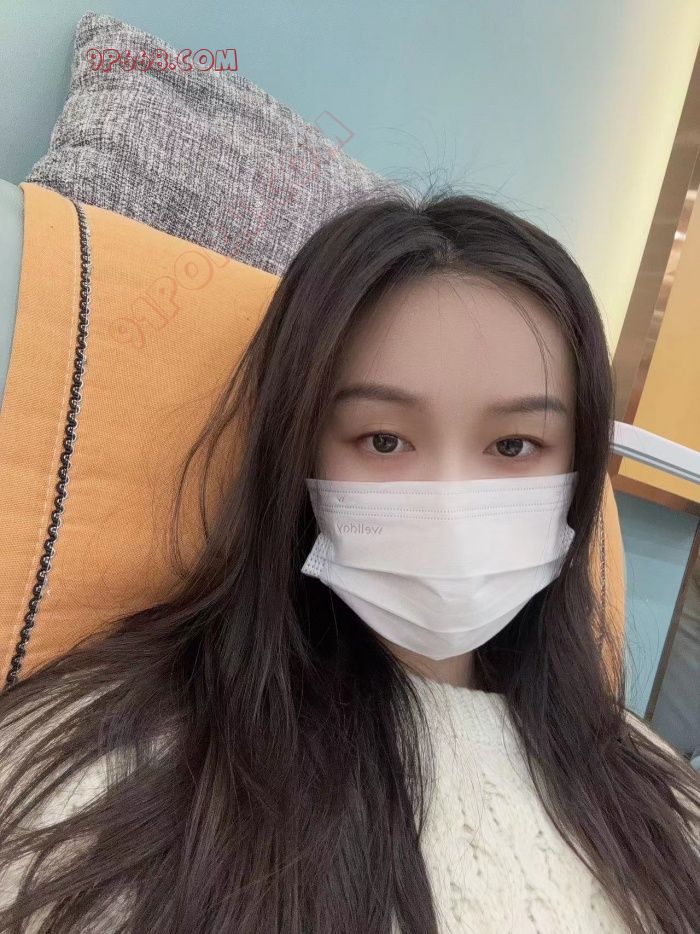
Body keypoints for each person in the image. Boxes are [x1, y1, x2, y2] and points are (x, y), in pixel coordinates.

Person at [0, 187, 698, 934]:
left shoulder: (655, 792)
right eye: (384, 441)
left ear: (578, 473)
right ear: (299, 455)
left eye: (513, 445)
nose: (449, 505)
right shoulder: (122, 772)